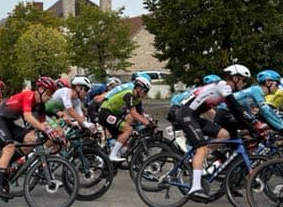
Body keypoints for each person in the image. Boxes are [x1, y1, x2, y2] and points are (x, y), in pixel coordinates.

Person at [173, 64, 260, 199]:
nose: (244, 83)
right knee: (201, 148)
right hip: (185, 115)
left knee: (224, 135)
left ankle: (199, 160)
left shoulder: (225, 90)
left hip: (194, 116)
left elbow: (235, 112)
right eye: (243, 80)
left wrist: (250, 126)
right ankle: (195, 187)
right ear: (235, 78)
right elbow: (236, 108)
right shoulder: (222, 85)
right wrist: (253, 124)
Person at [0, 76, 61, 199]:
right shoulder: (29, 95)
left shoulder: (40, 105)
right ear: (41, 89)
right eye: (49, 93)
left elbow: (43, 124)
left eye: (52, 94)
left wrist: (52, 134)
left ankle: (8, 164)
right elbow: (27, 116)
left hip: (9, 122)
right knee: (9, 147)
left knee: (32, 141)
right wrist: (45, 129)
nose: (50, 97)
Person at [99, 76, 154, 163]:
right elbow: (133, 113)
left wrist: (150, 122)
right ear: (139, 88)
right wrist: (147, 123)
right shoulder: (129, 94)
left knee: (123, 135)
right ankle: (112, 155)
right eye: (145, 91)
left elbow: (140, 114)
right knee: (128, 129)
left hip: (113, 114)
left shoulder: (138, 99)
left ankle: (105, 158)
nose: (146, 94)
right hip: (105, 112)